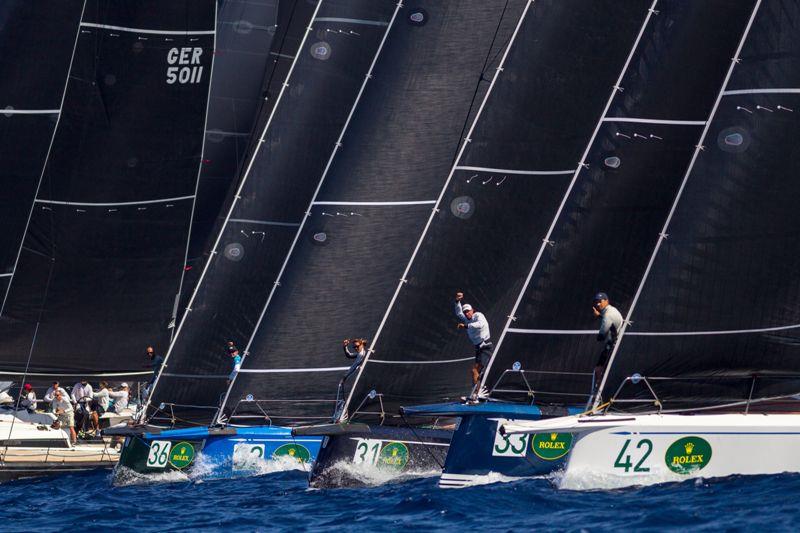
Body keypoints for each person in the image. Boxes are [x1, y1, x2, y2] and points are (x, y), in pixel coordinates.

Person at [455, 292, 492, 399]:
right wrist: (457, 301)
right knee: (476, 372)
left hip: (486, 346)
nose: (466, 314)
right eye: (465, 312)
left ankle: (476, 395)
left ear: (473, 310)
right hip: (478, 348)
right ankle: (475, 394)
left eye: (468, 311)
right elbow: (458, 313)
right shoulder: (466, 318)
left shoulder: (478, 315)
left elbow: (480, 325)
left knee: (475, 371)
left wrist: (466, 326)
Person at [592, 292, 624, 391]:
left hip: (611, 346)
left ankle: (599, 392)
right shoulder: (612, 310)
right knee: (602, 370)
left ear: (606, 301)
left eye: (600, 302)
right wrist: (599, 316)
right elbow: (608, 319)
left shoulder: (608, 315)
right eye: (596, 302)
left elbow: (602, 335)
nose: (598, 304)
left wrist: (597, 337)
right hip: (615, 344)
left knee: (598, 369)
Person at [334, 338, 368, 420]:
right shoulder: (360, 353)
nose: (356, 348)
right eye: (354, 347)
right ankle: (343, 416)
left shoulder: (362, 354)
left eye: (357, 346)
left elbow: (354, 366)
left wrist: (344, 377)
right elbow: (349, 355)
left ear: (362, 345)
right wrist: (345, 347)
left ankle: (346, 417)